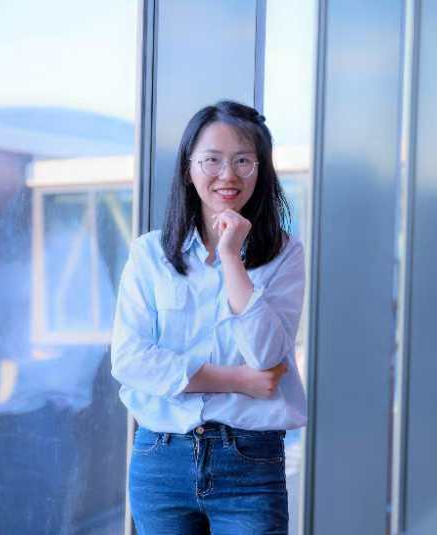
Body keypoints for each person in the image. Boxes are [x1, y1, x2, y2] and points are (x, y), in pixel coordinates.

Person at [110, 100, 307, 534]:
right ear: (188, 168)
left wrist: (232, 258)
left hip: (250, 463)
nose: (227, 175)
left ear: (261, 170)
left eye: (243, 161)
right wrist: (237, 380)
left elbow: (266, 355)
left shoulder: (285, 254)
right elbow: (129, 360)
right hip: (161, 459)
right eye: (212, 160)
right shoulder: (150, 254)